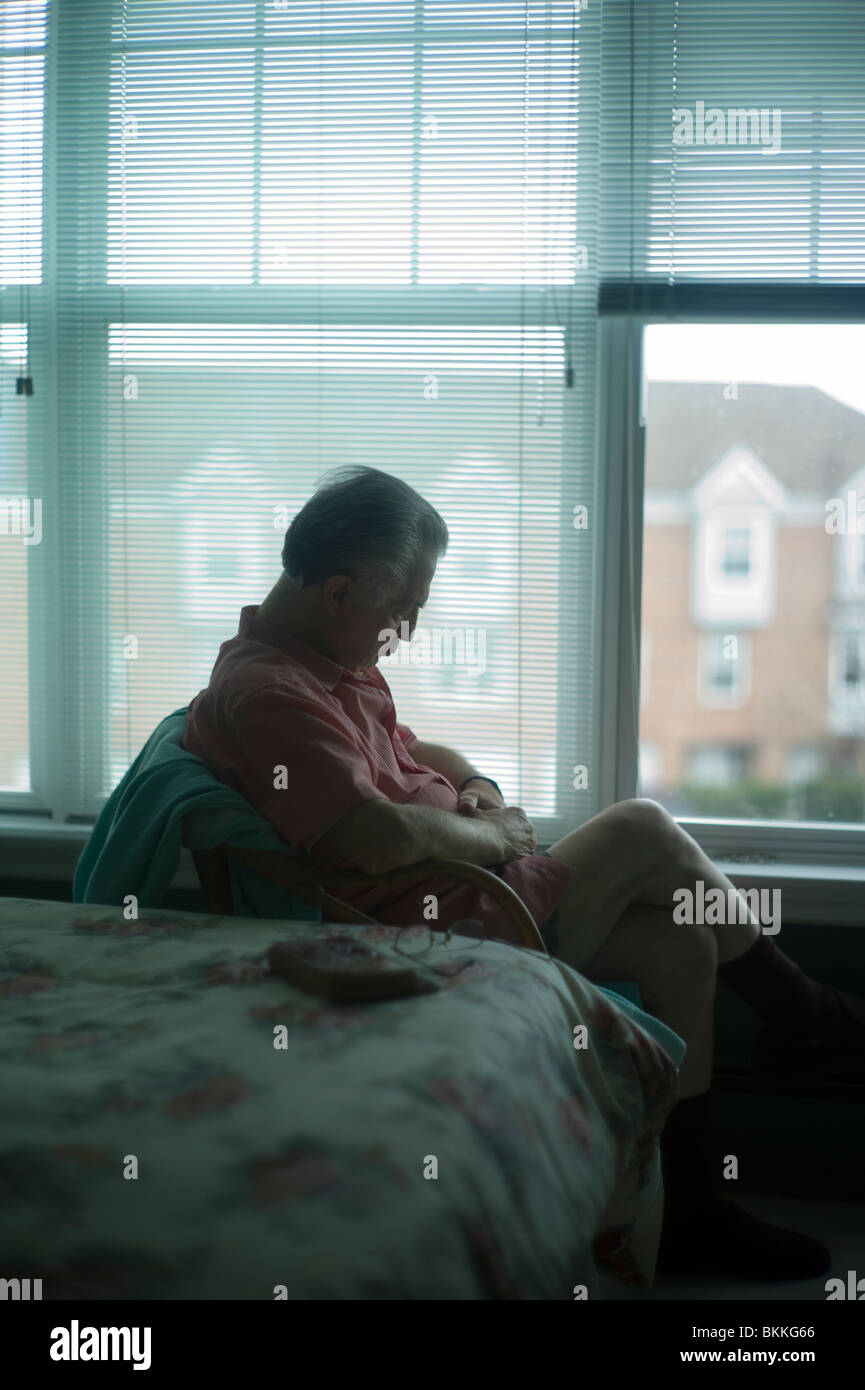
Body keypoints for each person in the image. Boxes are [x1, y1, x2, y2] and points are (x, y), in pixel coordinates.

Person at [183, 464, 865, 1282]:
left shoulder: (333, 662)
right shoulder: (270, 696)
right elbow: (371, 836)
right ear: (338, 591)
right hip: (439, 932)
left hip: (470, 893)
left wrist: (477, 789)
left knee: (682, 947)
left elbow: (415, 755)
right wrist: (497, 835)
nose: (409, 628)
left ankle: (689, 1205)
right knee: (645, 825)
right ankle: (809, 1014)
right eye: (405, 609)